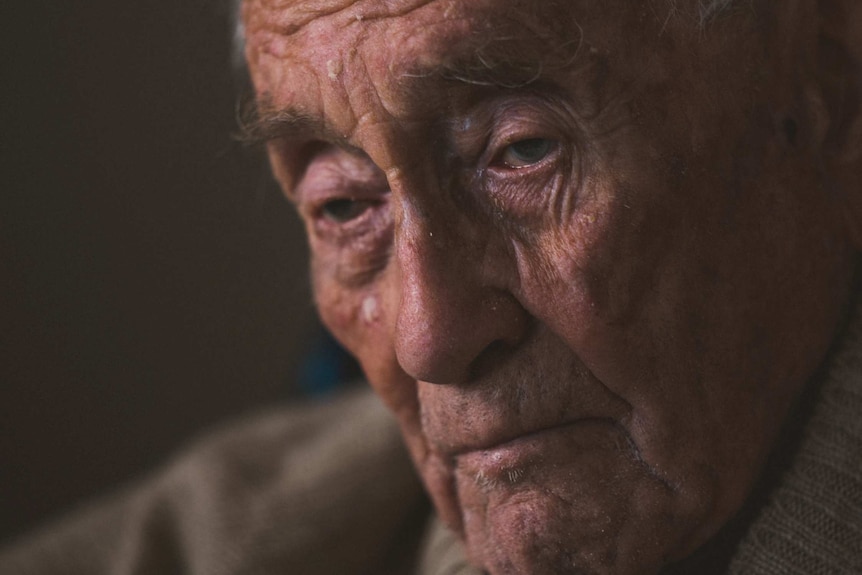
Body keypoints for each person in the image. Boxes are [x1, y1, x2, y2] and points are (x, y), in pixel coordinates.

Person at [2, 0, 861, 573]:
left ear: (831, 90)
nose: (428, 336)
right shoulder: (248, 533)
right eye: (344, 202)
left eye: (522, 151)